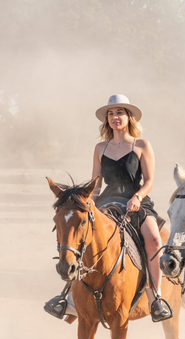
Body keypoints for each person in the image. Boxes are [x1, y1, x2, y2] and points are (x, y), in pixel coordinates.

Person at [44, 94, 172, 322]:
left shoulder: (142, 145)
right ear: (107, 120)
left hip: (136, 203)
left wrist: (138, 196)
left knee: (153, 238)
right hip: (106, 202)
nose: (115, 117)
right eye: (110, 114)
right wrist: (86, 203)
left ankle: (156, 298)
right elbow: (96, 184)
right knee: (82, 237)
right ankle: (70, 298)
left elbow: (150, 180)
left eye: (119, 112)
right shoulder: (100, 147)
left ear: (129, 117)